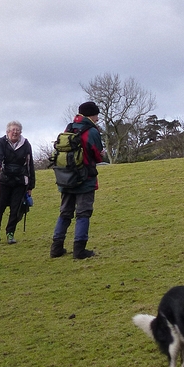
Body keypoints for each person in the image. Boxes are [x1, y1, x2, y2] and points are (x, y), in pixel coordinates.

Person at [51, 101, 107, 260]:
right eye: (96, 115)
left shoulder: (69, 128)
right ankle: (79, 250)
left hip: (66, 177)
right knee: (83, 213)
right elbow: (97, 154)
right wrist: (100, 155)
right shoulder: (92, 131)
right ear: (92, 114)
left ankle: (56, 248)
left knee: (65, 213)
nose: (97, 119)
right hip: (85, 178)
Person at [0, 120, 36, 245]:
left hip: (20, 181)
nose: (15, 132)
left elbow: (30, 164)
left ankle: (10, 234)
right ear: (7, 132)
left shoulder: (26, 144)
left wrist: (31, 185)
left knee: (16, 208)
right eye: (13, 130)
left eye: (17, 130)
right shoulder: (1, 142)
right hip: (4, 179)